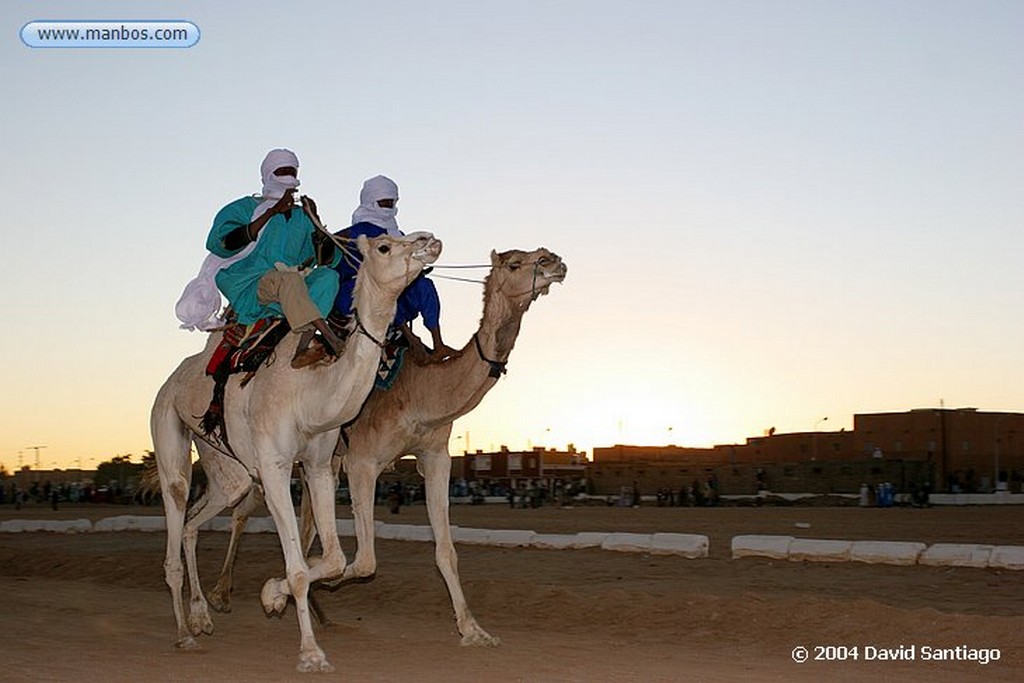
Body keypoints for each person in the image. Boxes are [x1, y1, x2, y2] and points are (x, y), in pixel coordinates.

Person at [208, 149, 344, 367]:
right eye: (282, 172)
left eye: (292, 172)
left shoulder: (302, 216)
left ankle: (302, 347)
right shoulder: (244, 208)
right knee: (288, 280)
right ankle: (329, 336)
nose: (289, 177)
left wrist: (316, 220)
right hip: (253, 284)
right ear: (269, 175)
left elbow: (326, 260)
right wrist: (271, 212)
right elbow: (221, 243)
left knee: (328, 277)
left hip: (294, 289)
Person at [331, 175, 458, 364]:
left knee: (424, 285)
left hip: (391, 286)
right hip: (357, 290)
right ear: (371, 202)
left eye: (391, 202)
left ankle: (438, 343)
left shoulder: (396, 233)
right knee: (385, 287)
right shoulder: (358, 232)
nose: (388, 207)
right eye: (384, 202)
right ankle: (410, 339)